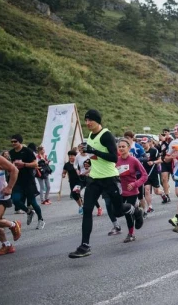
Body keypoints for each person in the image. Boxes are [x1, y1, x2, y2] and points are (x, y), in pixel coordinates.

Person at [68, 109, 143, 258]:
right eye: (86, 120)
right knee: (87, 210)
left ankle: (136, 211)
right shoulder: (90, 135)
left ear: (98, 121)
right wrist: (87, 158)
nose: (87, 123)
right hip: (94, 179)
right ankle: (85, 246)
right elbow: (94, 156)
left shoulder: (106, 135)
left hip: (110, 178)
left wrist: (93, 150)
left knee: (118, 211)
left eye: (90, 120)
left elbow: (114, 158)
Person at [9, 134, 45, 229]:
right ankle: (29, 212)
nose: (13, 143)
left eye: (15, 141)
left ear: (20, 142)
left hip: (28, 180)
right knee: (15, 200)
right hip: (17, 180)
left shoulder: (27, 151)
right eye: (12, 142)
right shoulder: (11, 152)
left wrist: (24, 164)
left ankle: (41, 219)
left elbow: (35, 164)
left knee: (33, 202)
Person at [116, 138, 148, 242]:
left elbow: (144, 175)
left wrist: (135, 184)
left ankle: (131, 234)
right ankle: (137, 211)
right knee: (117, 211)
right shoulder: (116, 161)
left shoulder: (134, 160)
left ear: (129, 148)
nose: (121, 148)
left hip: (132, 192)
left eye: (123, 146)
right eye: (119, 147)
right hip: (120, 191)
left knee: (127, 213)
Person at [140, 138, 162, 215]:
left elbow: (160, 160)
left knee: (157, 191)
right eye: (142, 143)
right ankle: (150, 206)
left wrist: (153, 162)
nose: (143, 144)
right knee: (147, 189)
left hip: (154, 173)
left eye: (145, 143)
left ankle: (162, 194)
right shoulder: (141, 152)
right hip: (145, 174)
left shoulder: (154, 150)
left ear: (149, 143)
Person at [159, 129, 173, 204]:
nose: (165, 134)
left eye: (166, 132)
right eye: (163, 133)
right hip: (164, 161)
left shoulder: (171, 139)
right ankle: (167, 195)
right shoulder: (162, 142)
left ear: (169, 133)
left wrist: (165, 139)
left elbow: (170, 142)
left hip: (172, 161)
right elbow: (160, 150)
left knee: (176, 179)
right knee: (164, 179)